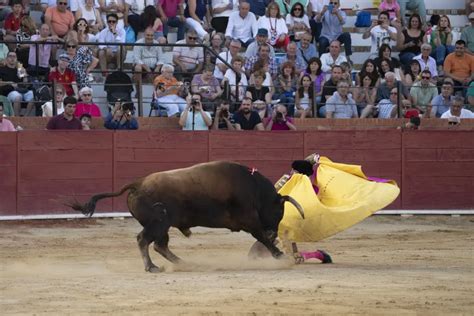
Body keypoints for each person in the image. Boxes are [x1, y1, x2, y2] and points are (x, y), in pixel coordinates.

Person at [0, 51, 34, 117]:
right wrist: (9, 83)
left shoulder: (19, 69)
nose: (12, 58)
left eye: (14, 56)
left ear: (16, 59)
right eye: (10, 56)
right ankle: (17, 118)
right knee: (17, 96)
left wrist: (25, 75)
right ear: (6, 58)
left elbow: (25, 83)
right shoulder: (2, 69)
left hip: (21, 90)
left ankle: (25, 117)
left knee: (32, 96)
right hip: (9, 92)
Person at [97, 13, 126, 77]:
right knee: (101, 52)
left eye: (113, 21)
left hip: (118, 53)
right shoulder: (103, 32)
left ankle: (119, 71)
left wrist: (115, 33)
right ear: (107, 22)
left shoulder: (122, 31)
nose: (111, 23)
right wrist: (106, 49)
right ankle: (104, 73)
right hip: (108, 53)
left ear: (117, 22)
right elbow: (100, 44)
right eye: (109, 21)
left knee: (120, 48)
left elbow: (122, 43)